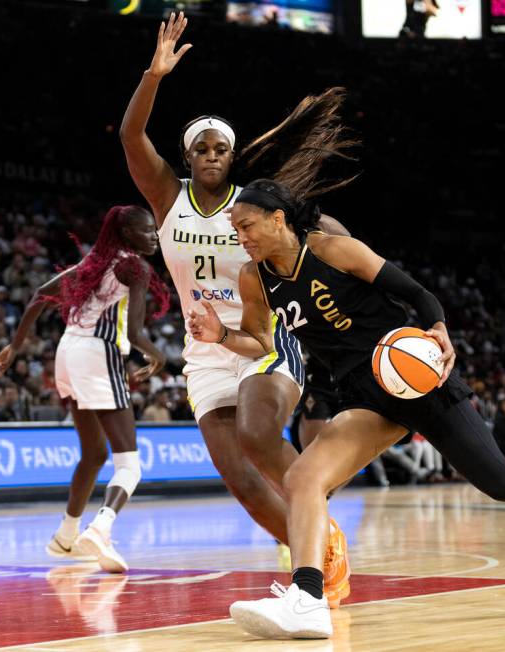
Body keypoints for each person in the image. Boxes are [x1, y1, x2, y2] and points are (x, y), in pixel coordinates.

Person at [188, 178, 505, 639]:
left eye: (246, 226)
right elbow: (262, 341)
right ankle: (308, 599)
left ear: (277, 218)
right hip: (363, 395)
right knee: (302, 477)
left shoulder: (332, 250)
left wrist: (439, 327)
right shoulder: (254, 278)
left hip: (414, 379)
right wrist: (221, 336)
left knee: (500, 480)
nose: (240, 238)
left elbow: (418, 294)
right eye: (236, 230)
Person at [119, 13, 353, 605]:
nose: (213, 154)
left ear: (232, 154)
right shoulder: (168, 198)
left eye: (222, 147)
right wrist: (154, 74)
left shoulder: (252, 205)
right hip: (204, 353)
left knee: (255, 431)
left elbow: (323, 228)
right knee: (244, 484)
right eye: (202, 147)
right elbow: (129, 137)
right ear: (188, 155)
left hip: (264, 339)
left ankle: (313, 520)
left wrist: (352, 267)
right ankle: (322, 558)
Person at [0, 205, 170, 574]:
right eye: (147, 230)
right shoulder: (135, 267)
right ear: (128, 234)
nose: (154, 236)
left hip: (67, 353)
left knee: (93, 454)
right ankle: (101, 528)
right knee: (129, 464)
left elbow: (39, 295)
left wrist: (15, 346)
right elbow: (134, 334)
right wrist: (158, 355)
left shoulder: (94, 262)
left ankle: (66, 535)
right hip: (97, 354)